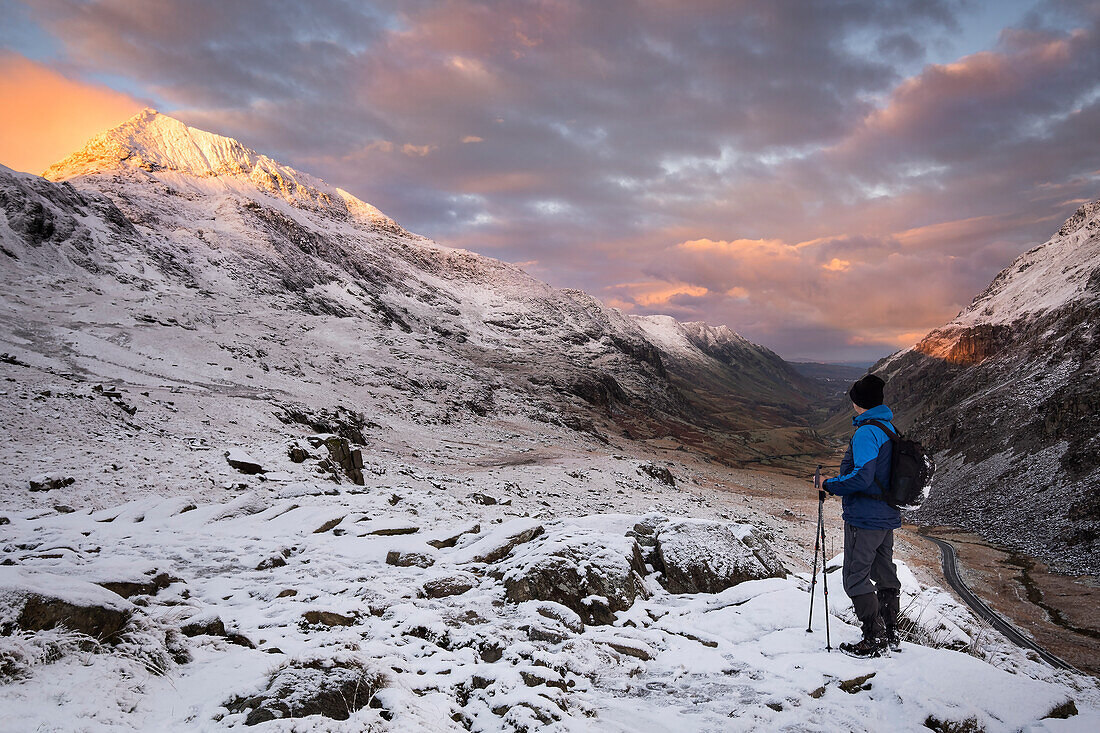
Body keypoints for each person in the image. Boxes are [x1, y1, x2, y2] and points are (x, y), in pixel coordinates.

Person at [818, 373, 902, 658]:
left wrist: (829, 485)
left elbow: (862, 478)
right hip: (885, 516)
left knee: (855, 577)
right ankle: (891, 633)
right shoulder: (888, 427)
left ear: (859, 402)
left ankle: (872, 639)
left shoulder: (867, 431)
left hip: (865, 518)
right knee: (884, 572)